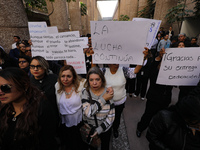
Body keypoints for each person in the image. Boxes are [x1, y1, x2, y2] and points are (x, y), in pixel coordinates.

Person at [0, 68, 58, 150]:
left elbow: (47, 142)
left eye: (5, 87)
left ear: (24, 85)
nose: (0, 92)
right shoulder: (3, 108)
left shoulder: (41, 108)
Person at [136, 48, 173, 138]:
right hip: (154, 97)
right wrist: (159, 58)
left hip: (166, 98)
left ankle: (156, 132)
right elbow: (150, 72)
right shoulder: (156, 66)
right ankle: (140, 128)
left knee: (162, 118)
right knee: (148, 115)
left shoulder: (174, 69)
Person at [102, 61, 143, 138]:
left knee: (117, 117)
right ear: (109, 63)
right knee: (106, 117)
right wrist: (92, 56)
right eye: (114, 63)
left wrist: (142, 58)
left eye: (118, 63)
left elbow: (136, 70)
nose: (117, 65)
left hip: (119, 102)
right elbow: (93, 69)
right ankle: (107, 130)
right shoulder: (103, 71)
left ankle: (115, 129)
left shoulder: (123, 70)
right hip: (106, 103)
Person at [81, 67, 115, 150]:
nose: (94, 83)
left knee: (105, 146)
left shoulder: (108, 93)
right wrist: (103, 99)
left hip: (104, 130)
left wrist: (100, 129)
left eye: (97, 79)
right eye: (91, 80)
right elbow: (88, 112)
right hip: (90, 129)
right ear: (88, 81)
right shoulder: (85, 92)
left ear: (102, 80)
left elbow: (111, 116)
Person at [55, 65, 86, 150]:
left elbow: (96, 79)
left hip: (78, 123)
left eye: (68, 76)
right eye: (63, 76)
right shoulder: (57, 86)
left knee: (79, 145)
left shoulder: (81, 85)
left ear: (74, 77)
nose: (65, 79)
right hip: (64, 124)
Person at [30, 56, 59, 126]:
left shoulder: (55, 79)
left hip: (54, 116)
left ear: (45, 67)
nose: (35, 69)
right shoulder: (28, 82)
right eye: (32, 66)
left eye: (38, 66)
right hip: (37, 118)